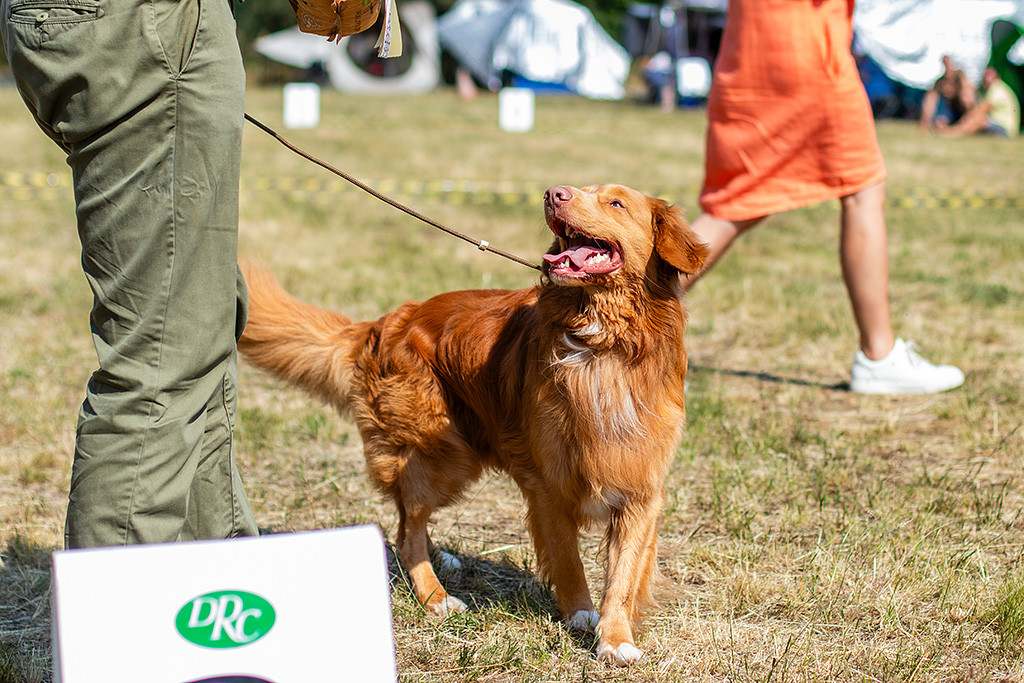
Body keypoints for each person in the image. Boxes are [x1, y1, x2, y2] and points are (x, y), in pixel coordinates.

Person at [1, 0, 260, 546]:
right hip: (147, 23)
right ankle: (121, 620)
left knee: (195, 316)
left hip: (100, 22)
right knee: (162, 350)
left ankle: (217, 589)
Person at [680, 0, 965, 395]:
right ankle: (879, 355)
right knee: (862, 188)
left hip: (748, 56)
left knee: (735, 203)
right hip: (808, 54)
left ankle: (619, 316)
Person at [939, 67, 1020, 138]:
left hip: (1005, 130)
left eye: (989, 76)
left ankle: (955, 133)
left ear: (997, 77)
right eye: (985, 76)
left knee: (980, 120)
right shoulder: (998, 88)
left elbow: (982, 109)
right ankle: (955, 131)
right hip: (1003, 127)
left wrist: (966, 120)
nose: (986, 78)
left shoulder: (996, 89)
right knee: (978, 119)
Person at [919, 55, 977, 133]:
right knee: (933, 98)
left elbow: (969, 101)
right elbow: (931, 99)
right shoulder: (941, 81)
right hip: (949, 111)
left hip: (963, 111)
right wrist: (925, 121)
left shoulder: (961, 78)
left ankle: (966, 124)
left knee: (965, 97)